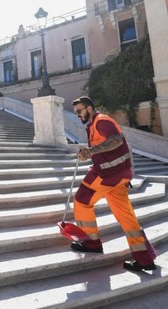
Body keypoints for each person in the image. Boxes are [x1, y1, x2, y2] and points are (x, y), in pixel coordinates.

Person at [70, 96, 156, 271]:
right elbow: (105, 148)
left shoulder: (101, 121)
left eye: (79, 111)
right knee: (126, 217)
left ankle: (92, 243)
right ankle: (144, 259)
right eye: (75, 112)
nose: (77, 115)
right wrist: (88, 152)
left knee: (82, 200)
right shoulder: (95, 125)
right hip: (120, 176)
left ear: (89, 108)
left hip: (107, 174)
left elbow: (116, 140)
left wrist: (91, 151)